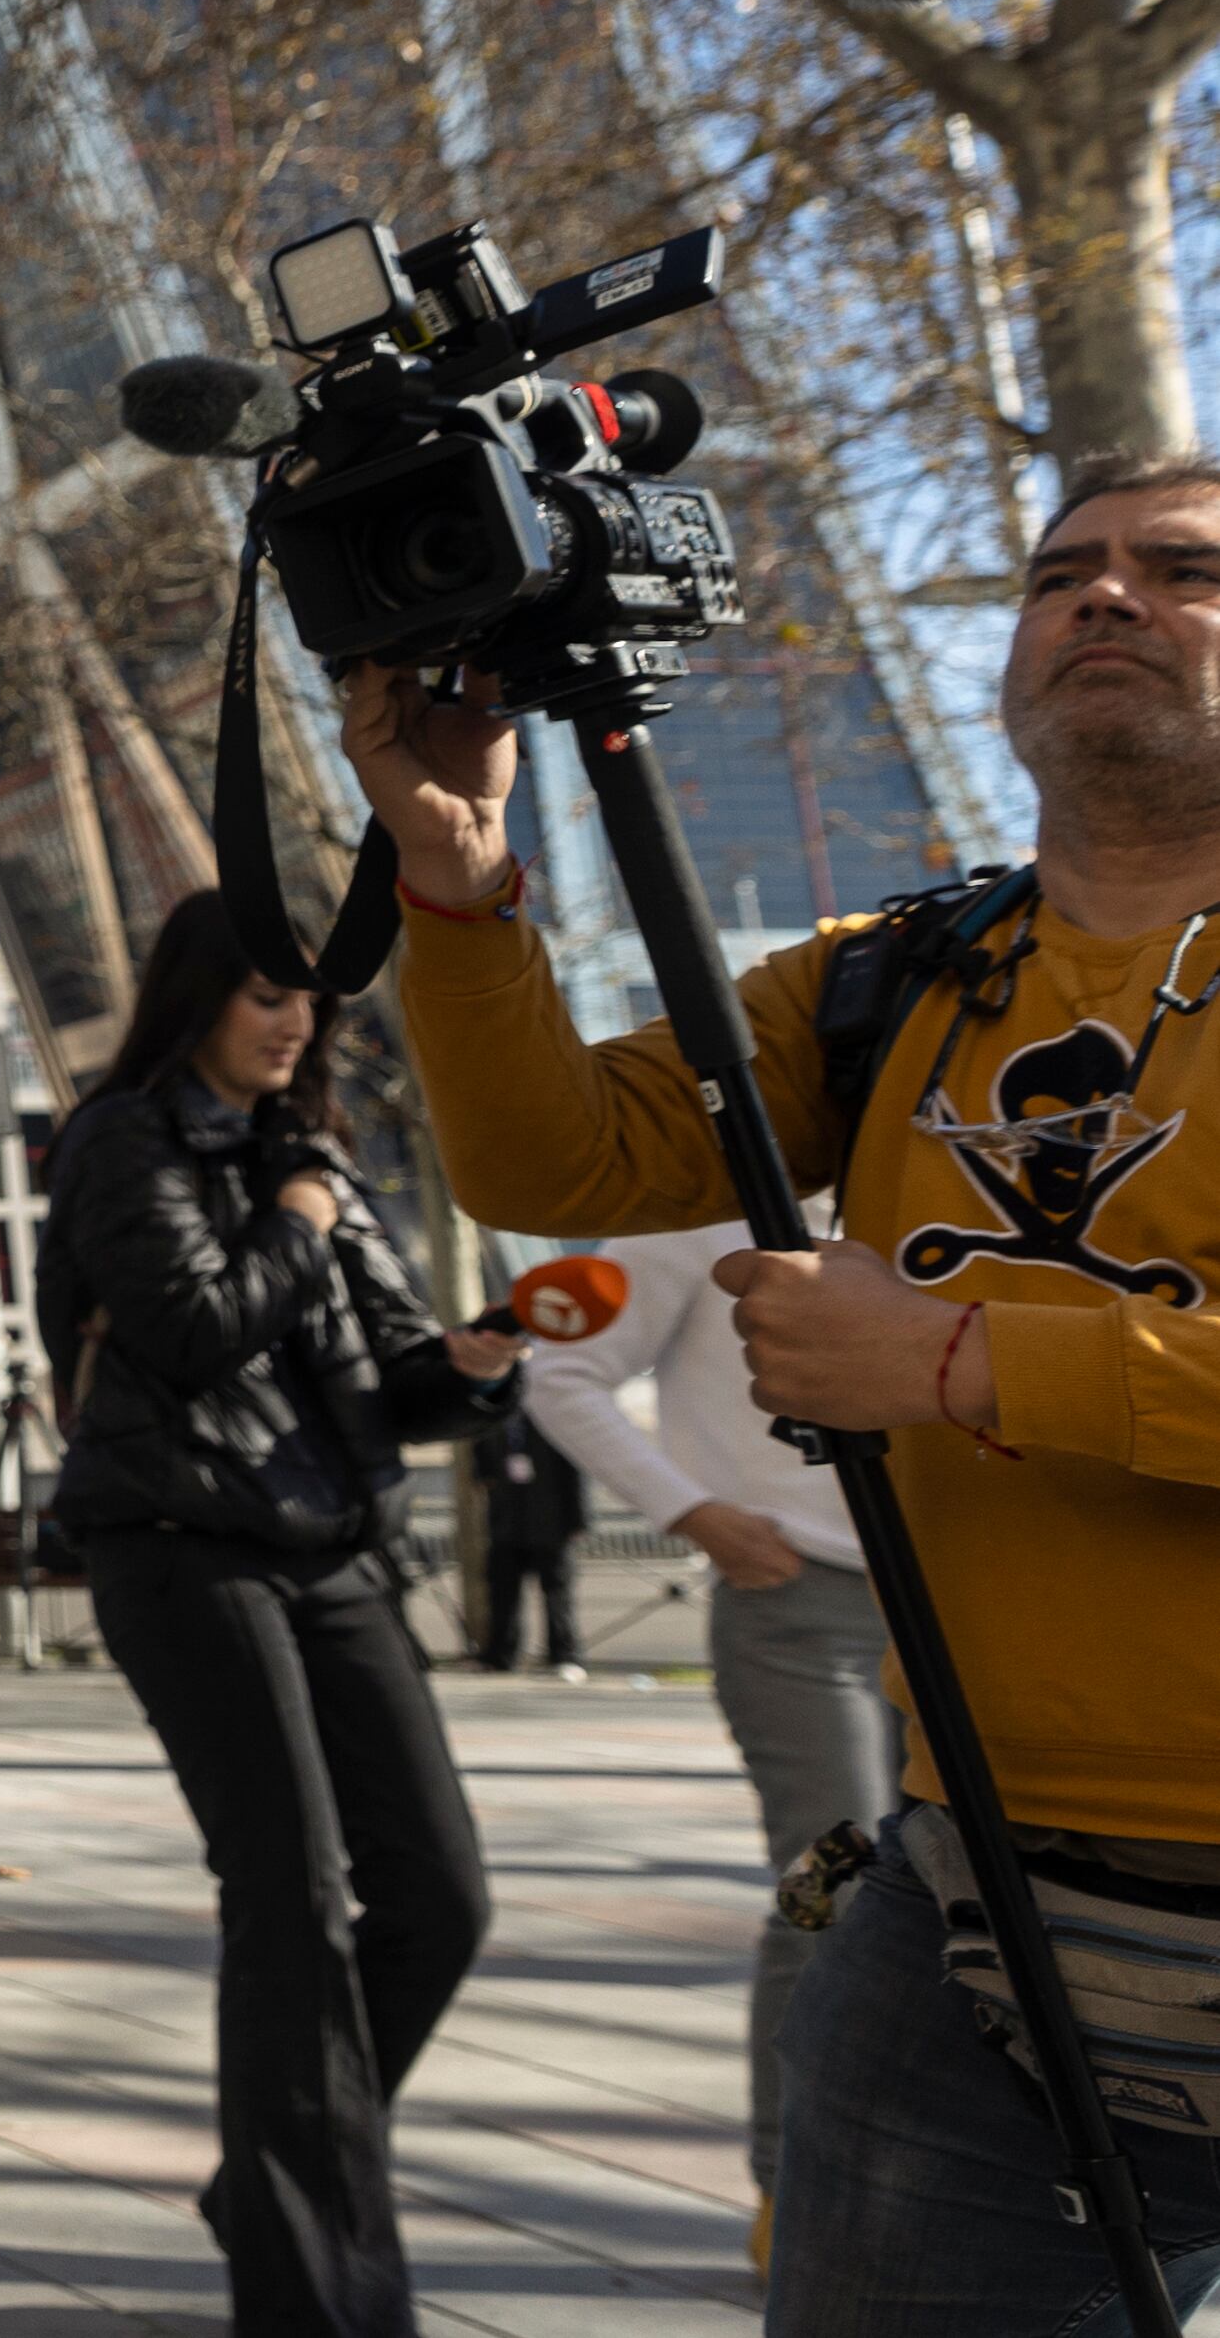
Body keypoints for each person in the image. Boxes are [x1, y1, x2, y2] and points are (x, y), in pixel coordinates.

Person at [346, 449, 1220, 2335]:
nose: (1103, 596)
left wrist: (958, 1358)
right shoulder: (896, 978)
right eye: (1056, 571)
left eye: (1181, 569)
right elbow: (554, 1162)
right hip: (973, 1900)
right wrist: (457, 874)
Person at [40, 888, 524, 2338]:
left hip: (332, 1551)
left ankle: (274, 2172)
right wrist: (303, 1216)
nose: (295, 1021)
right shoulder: (123, 1138)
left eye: (311, 999)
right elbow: (193, 1329)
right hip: (185, 1548)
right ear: (196, 997)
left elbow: (387, 1374)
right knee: (295, 1900)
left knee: (440, 1895)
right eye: (266, 993)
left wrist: (477, 1362)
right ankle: (322, 2303)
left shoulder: (310, 1153)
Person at [514, 1210, 888, 2254]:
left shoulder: (937, 1162)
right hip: (801, 1605)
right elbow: (558, 1374)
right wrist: (694, 1512)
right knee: (835, 1886)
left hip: (963, 1599)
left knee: (969, 1900)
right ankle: (794, 2198)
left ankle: (931, 2201)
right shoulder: (699, 1204)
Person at [467, 1404, 585, 1674]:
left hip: (551, 1522)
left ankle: (564, 1656)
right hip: (508, 1521)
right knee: (502, 1591)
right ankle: (500, 1655)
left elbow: (574, 1471)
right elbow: (482, 1460)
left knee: (556, 1592)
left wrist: (578, 1520)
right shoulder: (494, 1416)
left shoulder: (554, 1416)